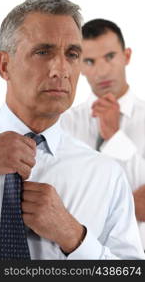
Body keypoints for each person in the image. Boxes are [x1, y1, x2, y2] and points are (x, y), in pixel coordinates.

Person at [0, 0, 144, 260]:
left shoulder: (106, 176)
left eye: (72, 54)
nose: (61, 69)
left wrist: (74, 237)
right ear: (4, 65)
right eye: (43, 52)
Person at [61, 18, 145, 250]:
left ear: (126, 56)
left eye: (110, 57)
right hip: (74, 257)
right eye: (89, 61)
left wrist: (114, 136)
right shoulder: (63, 123)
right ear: (78, 65)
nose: (101, 71)